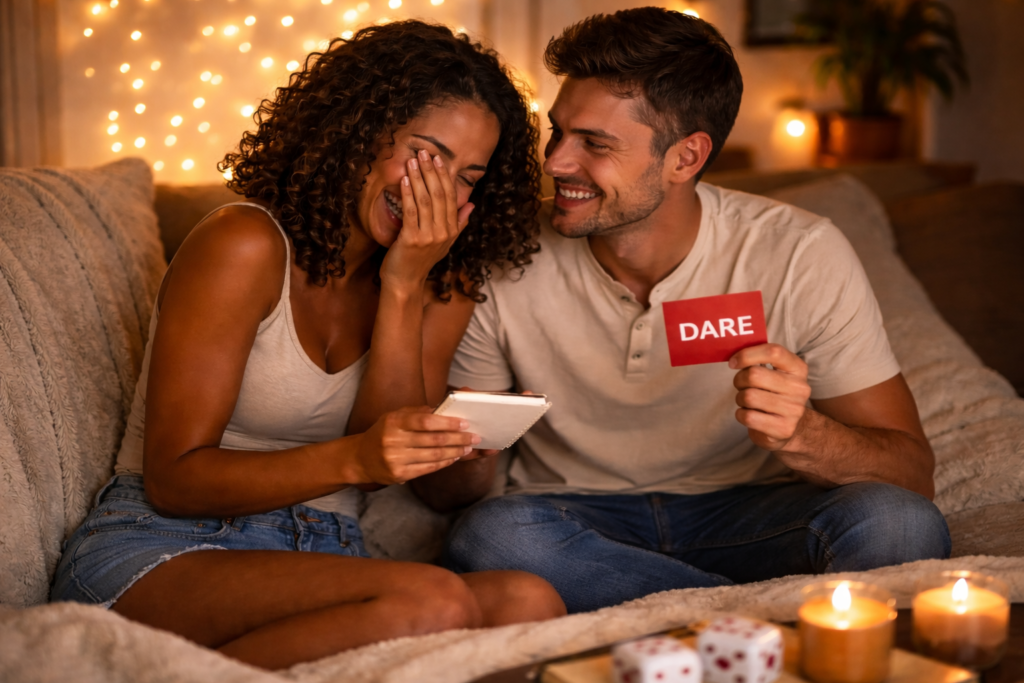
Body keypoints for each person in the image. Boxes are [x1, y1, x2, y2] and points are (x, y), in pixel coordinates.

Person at [50, 21, 565, 668]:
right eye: (428, 155)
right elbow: (175, 479)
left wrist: (403, 288)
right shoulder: (244, 245)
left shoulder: (441, 281)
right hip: (170, 544)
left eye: (467, 176)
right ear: (358, 133)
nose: (439, 191)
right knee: (435, 603)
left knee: (529, 599)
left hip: (325, 549)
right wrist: (353, 459)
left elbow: (417, 477)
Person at [417, 8, 951, 614]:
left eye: (595, 144)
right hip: (575, 519)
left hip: (751, 516)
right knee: (490, 536)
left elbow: (912, 474)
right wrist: (466, 455)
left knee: (900, 523)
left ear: (686, 157)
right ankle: (757, 632)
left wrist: (806, 434)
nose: (557, 162)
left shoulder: (798, 250)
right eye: (558, 132)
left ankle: (687, 626)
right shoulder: (506, 251)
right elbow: (449, 496)